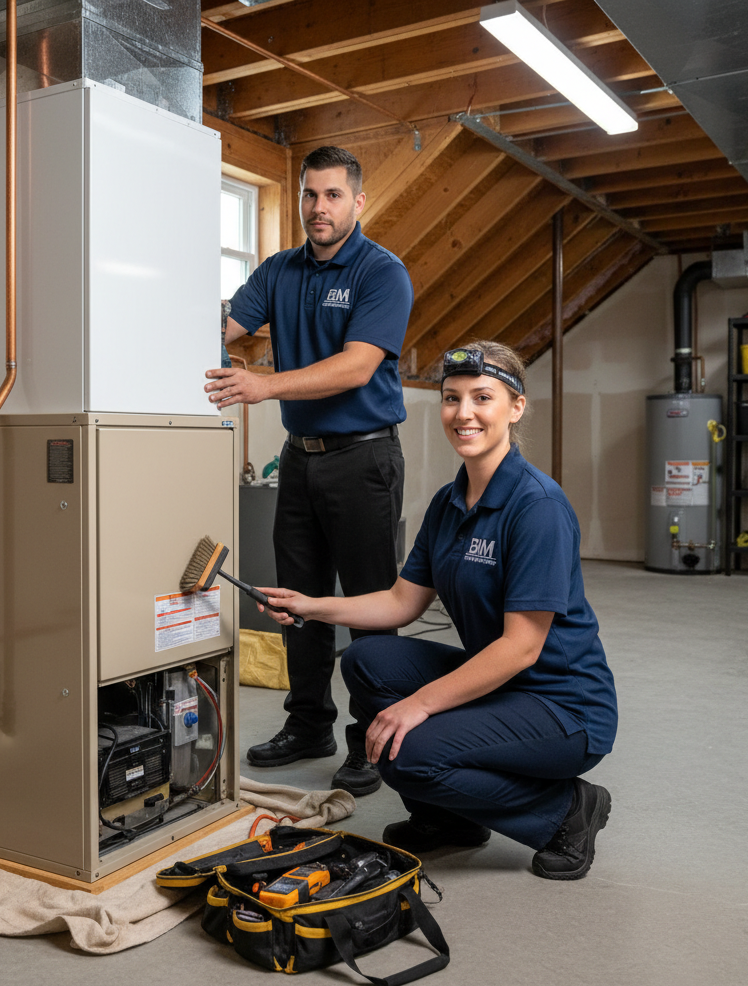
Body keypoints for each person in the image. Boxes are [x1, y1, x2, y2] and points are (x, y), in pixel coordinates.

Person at [255, 341, 617, 880]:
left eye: (482, 398)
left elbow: (521, 647)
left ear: (515, 408)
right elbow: (402, 601)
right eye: (451, 399)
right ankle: (450, 818)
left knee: (405, 751)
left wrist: (417, 706)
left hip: (562, 705)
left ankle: (564, 812)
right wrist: (313, 605)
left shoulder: (536, 507)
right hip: (500, 685)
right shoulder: (451, 502)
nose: (463, 413)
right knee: (366, 660)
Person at [204, 146, 414, 796]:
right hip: (302, 459)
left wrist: (263, 387)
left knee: (368, 604)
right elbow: (226, 325)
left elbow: (356, 366)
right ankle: (308, 725)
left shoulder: (383, 273)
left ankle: (371, 740)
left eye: (331, 196)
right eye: (309, 195)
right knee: (295, 601)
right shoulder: (279, 271)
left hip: (364, 458)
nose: (318, 208)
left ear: (358, 201)